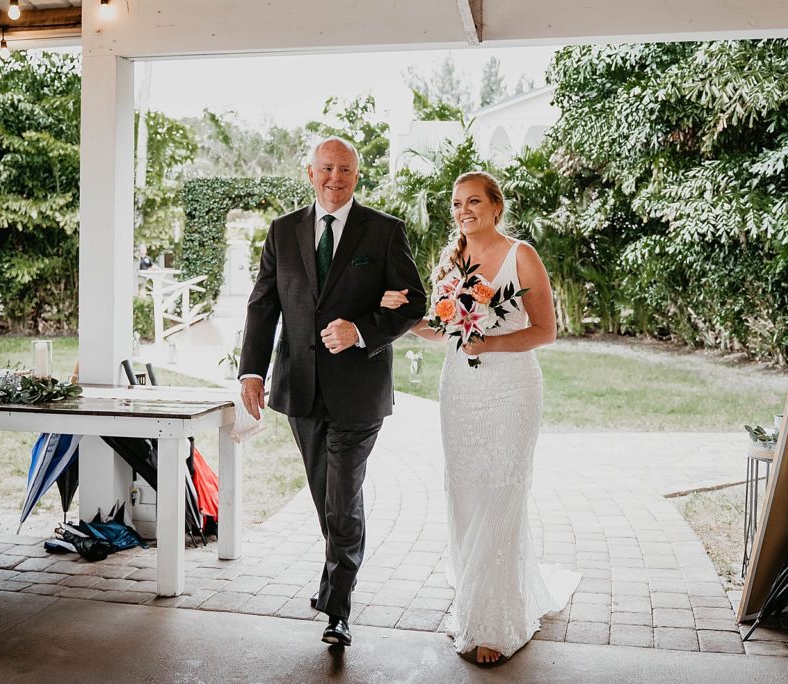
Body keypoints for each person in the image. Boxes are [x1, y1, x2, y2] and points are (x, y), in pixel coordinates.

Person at [379, 171, 580, 665]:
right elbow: (444, 330)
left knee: (501, 491)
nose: (463, 210)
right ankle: (476, 589)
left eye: (473, 201)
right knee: (466, 491)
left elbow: (546, 330)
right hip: (460, 390)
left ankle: (493, 622)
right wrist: (396, 318)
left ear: (496, 207)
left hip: (511, 389)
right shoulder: (453, 260)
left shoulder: (521, 255)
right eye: (456, 203)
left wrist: (489, 342)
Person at [238, 136, 426, 648]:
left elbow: (414, 303)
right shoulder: (282, 231)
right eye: (326, 168)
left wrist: (361, 329)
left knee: (342, 496)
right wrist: (251, 371)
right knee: (327, 496)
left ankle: (338, 609)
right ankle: (333, 581)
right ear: (310, 172)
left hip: (359, 392)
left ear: (356, 176)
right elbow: (263, 306)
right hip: (300, 387)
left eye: (345, 169)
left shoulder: (384, 232)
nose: (335, 177)